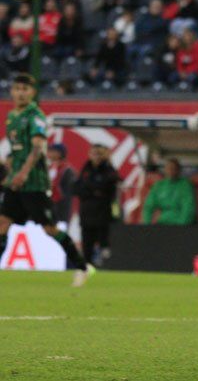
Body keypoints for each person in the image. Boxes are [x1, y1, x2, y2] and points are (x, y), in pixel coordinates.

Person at [0, 74, 93, 286]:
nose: (21, 93)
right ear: (12, 92)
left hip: (33, 183)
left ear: (32, 92)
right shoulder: (12, 116)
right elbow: (17, 150)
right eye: (17, 89)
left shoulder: (35, 116)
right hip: (16, 181)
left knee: (48, 228)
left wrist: (23, 172)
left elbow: (38, 147)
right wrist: (11, 170)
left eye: (25, 89)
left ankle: (82, 266)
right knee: (3, 222)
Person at [74, 144, 119, 266]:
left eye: (99, 153)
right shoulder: (86, 169)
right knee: (87, 245)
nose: (96, 157)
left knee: (104, 243)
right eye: (93, 153)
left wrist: (92, 190)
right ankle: (87, 267)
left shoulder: (109, 171)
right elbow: (78, 188)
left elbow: (107, 188)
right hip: (86, 213)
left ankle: (105, 266)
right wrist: (93, 191)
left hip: (102, 214)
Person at [142, 158, 195, 225]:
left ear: (178, 170)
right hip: (162, 223)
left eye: (174, 168)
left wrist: (181, 227)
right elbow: (148, 206)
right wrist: (147, 224)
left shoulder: (185, 185)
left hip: (180, 223)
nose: (171, 171)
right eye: (168, 168)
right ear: (165, 170)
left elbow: (188, 208)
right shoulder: (159, 185)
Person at [47, 143, 75, 231]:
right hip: (49, 205)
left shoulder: (67, 169)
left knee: (60, 230)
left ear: (59, 153)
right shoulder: (49, 167)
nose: (49, 153)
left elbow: (68, 191)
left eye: (52, 151)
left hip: (61, 207)